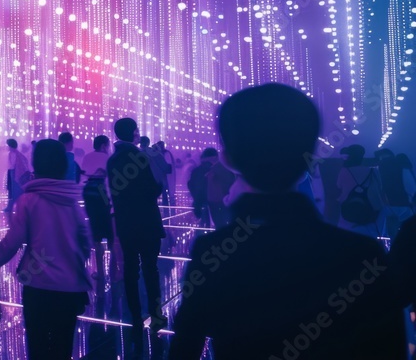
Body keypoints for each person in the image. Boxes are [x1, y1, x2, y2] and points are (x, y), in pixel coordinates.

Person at [170, 83, 405, 359]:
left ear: (228, 157)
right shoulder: (363, 253)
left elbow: (185, 348)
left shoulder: (212, 252)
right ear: (311, 152)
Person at [0, 139, 92, 360]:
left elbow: (11, 244)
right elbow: (84, 243)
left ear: (37, 165)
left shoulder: (28, 200)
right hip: (70, 289)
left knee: (39, 348)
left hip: (38, 286)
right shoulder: (72, 201)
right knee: (62, 349)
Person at [107, 118, 166, 343]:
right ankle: (156, 314)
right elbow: (151, 188)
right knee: (150, 269)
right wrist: (158, 186)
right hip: (147, 222)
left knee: (130, 269)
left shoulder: (113, 160)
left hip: (126, 223)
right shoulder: (140, 157)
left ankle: (134, 317)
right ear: (133, 133)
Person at [336, 144, 386, 237]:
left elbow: (339, 186)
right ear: (362, 156)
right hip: (371, 209)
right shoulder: (373, 171)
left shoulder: (343, 171)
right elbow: (380, 187)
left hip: (348, 209)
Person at [81, 135, 114, 275]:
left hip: (88, 191)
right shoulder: (107, 158)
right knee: (110, 230)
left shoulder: (87, 157)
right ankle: (113, 268)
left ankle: (99, 269)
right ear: (103, 146)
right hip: (102, 191)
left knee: (96, 232)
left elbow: (84, 173)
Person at [376, 149, 414, 238]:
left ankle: (394, 249)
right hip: (404, 203)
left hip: (388, 205)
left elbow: (379, 187)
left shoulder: (379, 168)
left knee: (392, 233)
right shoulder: (401, 165)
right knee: (408, 231)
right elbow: (410, 186)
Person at [187, 149, 217, 227]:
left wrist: (196, 200)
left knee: (202, 227)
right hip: (216, 205)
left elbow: (190, 185)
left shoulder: (196, 171)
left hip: (200, 204)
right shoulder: (218, 170)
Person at [205, 157, 236, 227]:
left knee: (219, 223)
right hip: (224, 199)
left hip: (214, 200)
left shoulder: (213, 169)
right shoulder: (229, 169)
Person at [5, 139, 31, 217]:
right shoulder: (14, 153)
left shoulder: (15, 154)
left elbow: (14, 165)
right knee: (11, 190)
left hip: (14, 173)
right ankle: (11, 206)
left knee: (14, 190)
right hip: (12, 172)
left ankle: (13, 206)